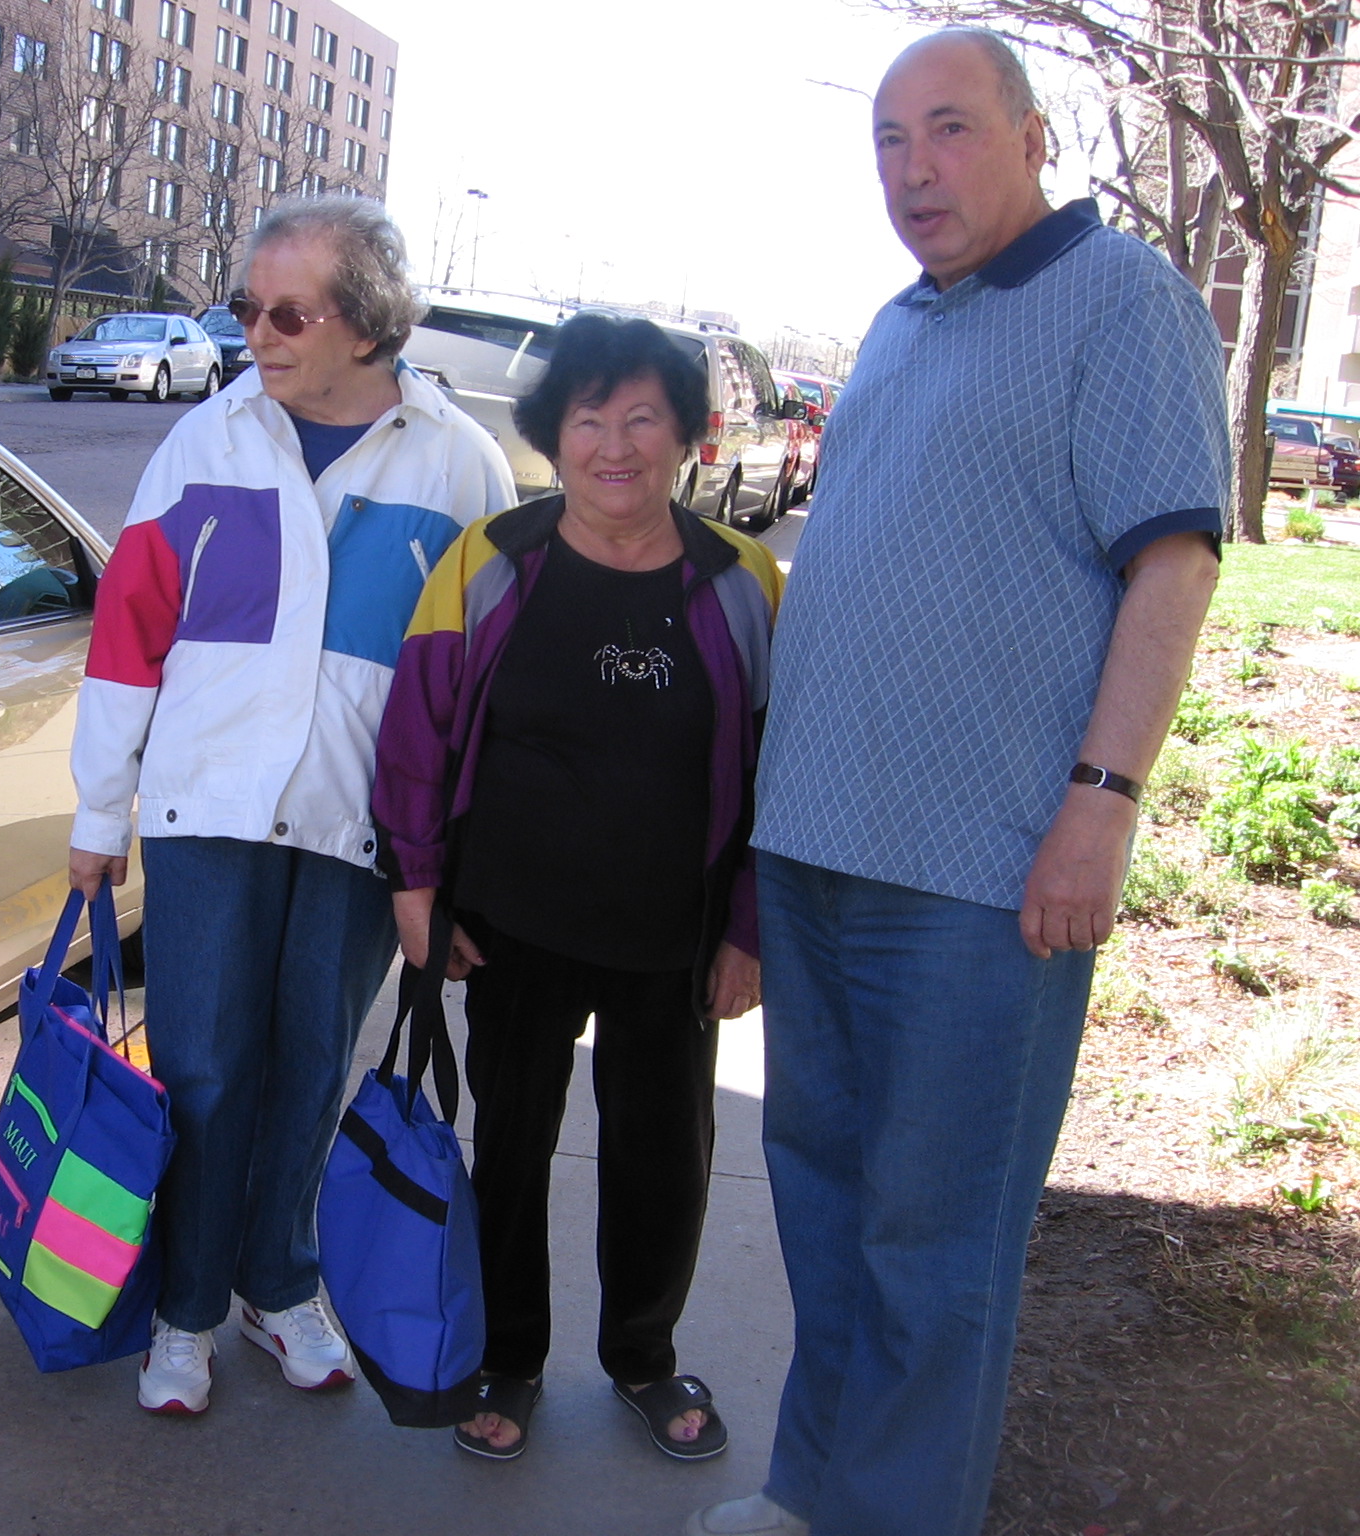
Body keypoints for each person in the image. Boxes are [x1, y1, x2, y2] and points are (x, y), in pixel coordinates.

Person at [690, 29, 1227, 1536]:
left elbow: (1174, 564)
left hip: (978, 875)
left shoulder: (1122, 300)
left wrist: (1102, 802)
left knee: (934, 1250)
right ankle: (810, 1498)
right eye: (888, 140)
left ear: (1034, 136)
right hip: (820, 852)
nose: (914, 170)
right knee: (825, 1213)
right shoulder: (899, 323)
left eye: (950, 130)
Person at [67, 196, 517, 1415]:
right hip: (206, 812)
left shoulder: (457, 463)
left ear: (365, 327)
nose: (252, 335)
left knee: (313, 1063)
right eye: (244, 308)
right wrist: (98, 815)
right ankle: (184, 1307)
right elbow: (126, 639)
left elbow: (477, 687)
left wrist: (449, 860)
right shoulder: (203, 443)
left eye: (286, 315)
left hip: (357, 824)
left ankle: (277, 1281)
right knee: (203, 1068)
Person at [373, 312, 782, 1462]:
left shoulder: (742, 581)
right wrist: (416, 890)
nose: (614, 445)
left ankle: (642, 1357)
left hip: (672, 939)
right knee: (507, 1146)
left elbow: (781, 768)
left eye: (641, 418)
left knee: (664, 1161)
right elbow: (414, 734)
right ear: (552, 435)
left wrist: (747, 929)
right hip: (510, 926)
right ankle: (508, 1356)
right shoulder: (490, 560)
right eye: (588, 419)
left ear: (685, 435)